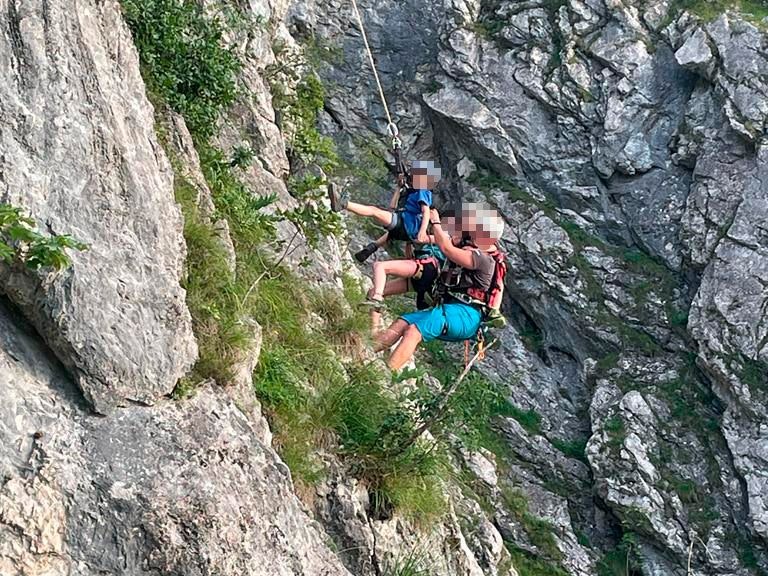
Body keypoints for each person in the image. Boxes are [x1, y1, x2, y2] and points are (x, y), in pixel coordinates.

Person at [373, 203, 505, 371]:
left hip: (466, 314)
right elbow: (446, 241)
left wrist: (435, 222)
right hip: (454, 309)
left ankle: (385, 373)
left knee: (414, 331)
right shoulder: (474, 248)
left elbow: (447, 249)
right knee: (403, 322)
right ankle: (367, 351)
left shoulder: (483, 259)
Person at [327, 160, 441, 262]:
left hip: (407, 225)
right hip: (404, 227)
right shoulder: (412, 193)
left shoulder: (423, 191)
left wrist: (422, 232)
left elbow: (426, 211)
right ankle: (371, 248)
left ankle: (343, 204)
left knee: (374, 211)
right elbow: (392, 207)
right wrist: (398, 188)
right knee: (389, 226)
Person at [364, 214, 457, 333]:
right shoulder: (437, 237)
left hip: (428, 268)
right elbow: (409, 256)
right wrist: (409, 241)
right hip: (422, 272)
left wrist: (410, 228)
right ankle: (374, 332)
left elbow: (420, 239)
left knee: (380, 266)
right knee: (372, 292)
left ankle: (377, 298)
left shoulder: (445, 238)